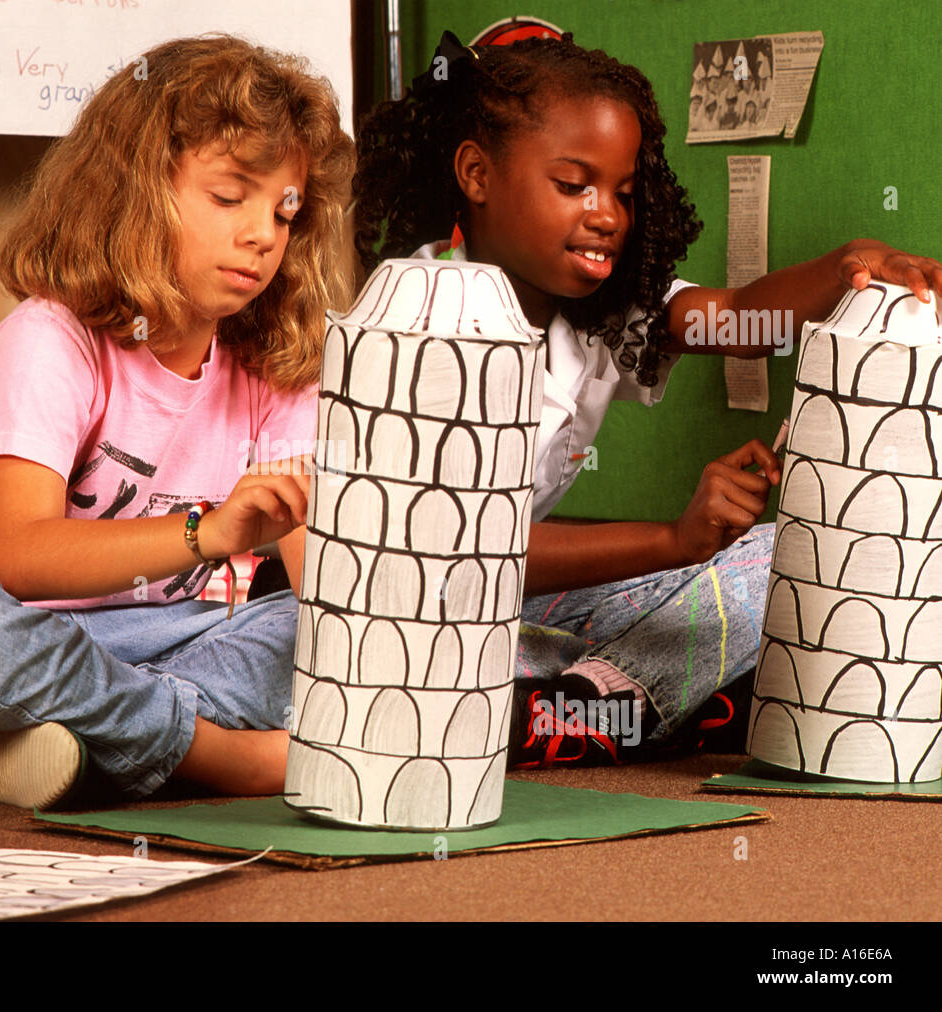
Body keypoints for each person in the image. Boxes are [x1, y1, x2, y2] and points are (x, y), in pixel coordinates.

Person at [353, 31, 942, 766]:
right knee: (379, 657)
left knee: (776, 559)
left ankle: (580, 704)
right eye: (574, 186)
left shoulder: (603, 307)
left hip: (522, 616)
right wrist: (674, 541)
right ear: (476, 173)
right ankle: (619, 702)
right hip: (411, 602)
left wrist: (846, 264)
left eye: (623, 193)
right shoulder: (424, 314)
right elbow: (462, 546)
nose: (608, 215)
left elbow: (735, 320)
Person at [0, 35, 354, 808]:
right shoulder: (49, 340)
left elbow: (321, 574)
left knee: (314, 628)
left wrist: (358, 619)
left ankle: (65, 743)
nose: (262, 235)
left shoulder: (278, 361)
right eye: (228, 198)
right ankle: (218, 757)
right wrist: (208, 532)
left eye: (284, 213)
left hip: (169, 641)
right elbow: (22, 558)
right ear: (135, 191)